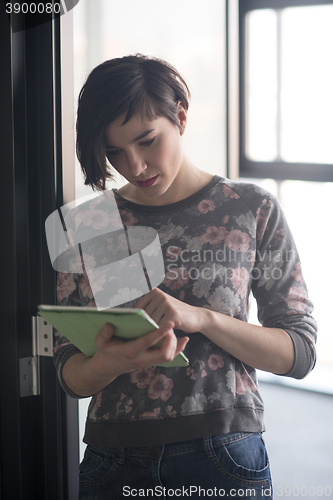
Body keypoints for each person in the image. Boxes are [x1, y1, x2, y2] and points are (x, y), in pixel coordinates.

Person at [54, 54, 317, 499]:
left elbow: (299, 353)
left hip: (222, 453)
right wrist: (112, 361)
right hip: (111, 462)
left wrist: (204, 319)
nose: (134, 165)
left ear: (179, 115)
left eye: (147, 140)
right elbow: (68, 374)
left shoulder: (249, 208)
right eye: (114, 151)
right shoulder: (95, 223)